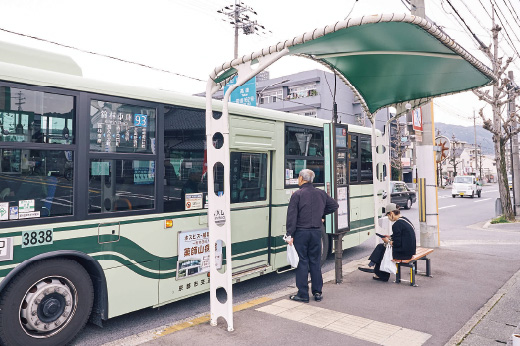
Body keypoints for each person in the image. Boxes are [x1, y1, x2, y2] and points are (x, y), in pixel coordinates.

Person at [285, 169, 339, 303]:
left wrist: (289, 234)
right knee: (315, 261)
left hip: (301, 232)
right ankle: (317, 292)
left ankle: (303, 294)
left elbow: (292, 217)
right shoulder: (320, 193)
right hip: (316, 232)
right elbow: (334, 205)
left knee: (302, 262)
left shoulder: (297, 194)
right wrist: (320, 215)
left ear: (301, 178)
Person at [358, 203, 416, 282]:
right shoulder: (405, 220)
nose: (388, 218)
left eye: (388, 215)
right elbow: (402, 237)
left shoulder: (397, 224)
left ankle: (378, 272)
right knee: (382, 248)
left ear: (391, 213)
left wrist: (387, 241)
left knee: (382, 249)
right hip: (410, 251)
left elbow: (397, 244)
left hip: (404, 254)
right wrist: (390, 237)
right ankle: (375, 269)